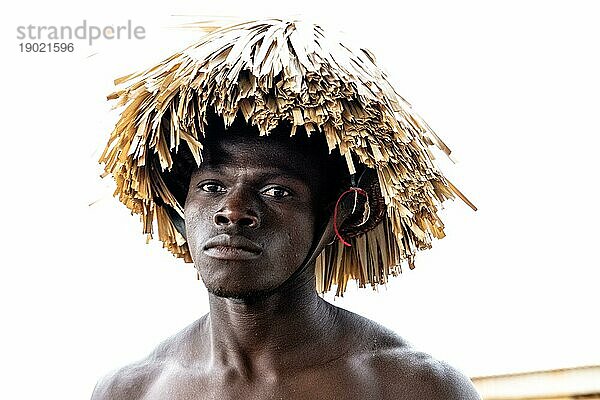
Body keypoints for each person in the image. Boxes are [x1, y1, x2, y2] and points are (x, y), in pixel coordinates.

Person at [93, 19, 480, 399]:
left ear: (344, 214)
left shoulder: (415, 388)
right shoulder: (131, 391)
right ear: (180, 208)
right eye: (212, 187)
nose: (233, 210)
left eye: (277, 191)